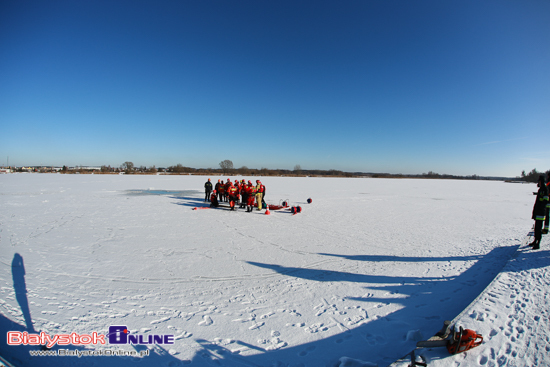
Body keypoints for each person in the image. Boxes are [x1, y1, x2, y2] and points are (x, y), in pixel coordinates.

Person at [530, 175, 549, 249]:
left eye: (539, 181)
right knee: (536, 228)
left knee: (539, 228)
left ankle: (538, 243)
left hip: (541, 212)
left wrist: (540, 208)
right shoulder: (540, 189)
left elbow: (545, 201)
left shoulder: (544, 189)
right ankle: (535, 240)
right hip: (537, 212)